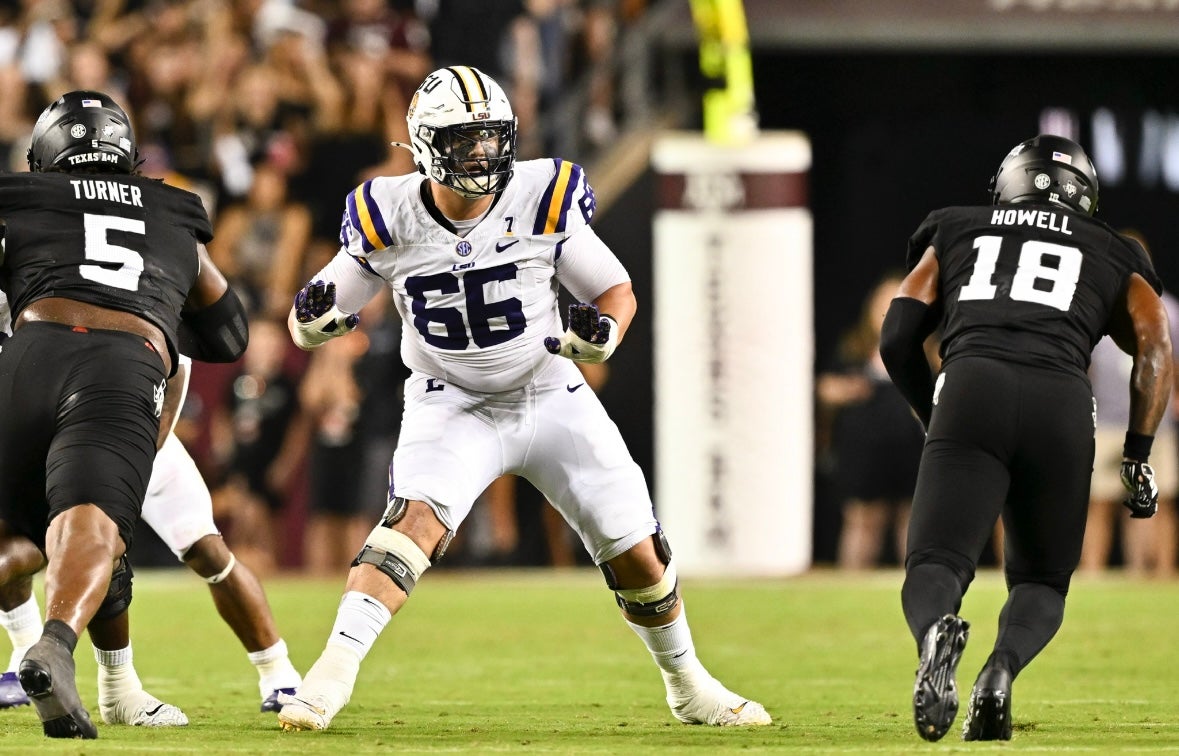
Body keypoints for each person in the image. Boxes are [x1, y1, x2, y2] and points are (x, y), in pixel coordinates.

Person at [274, 65, 771, 732]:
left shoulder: (541, 194)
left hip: (547, 392)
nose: (481, 154)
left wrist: (604, 338)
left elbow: (614, 292)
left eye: (490, 137)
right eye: (463, 140)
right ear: (424, 145)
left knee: (638, 550)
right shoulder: (385, 212)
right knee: (409, 526)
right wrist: (309, 322)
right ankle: (328, 677)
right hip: (448, 400)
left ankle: (687, 684)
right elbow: (321, 307)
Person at [879, 134, 1173, 742]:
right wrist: (1139, 453)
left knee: (936, 562)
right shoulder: (1112, 250)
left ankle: (937, 630)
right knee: (1041, 582)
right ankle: (999, 675)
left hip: (972, 384)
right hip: (1061, 402)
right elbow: (1154, 344)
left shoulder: (960, 226)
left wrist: (932, 413)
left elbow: (898, 332)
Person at [0, 90, 249, 738]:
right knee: (94, 528)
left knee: (18, 536)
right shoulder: (172, 211)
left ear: (44, 159)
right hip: (119, 364)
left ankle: (115, 686)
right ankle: (55, 645)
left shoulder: (20, 199)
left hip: (25, 354)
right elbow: (229, 334)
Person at [816, 273, 925, 569]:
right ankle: (850, 588)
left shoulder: (925, 348)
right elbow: (824, 386)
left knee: (912, 523)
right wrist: (845, 390)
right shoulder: (852, 347)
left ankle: (916, 588)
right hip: (864, 451)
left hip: (912, 449)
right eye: (883, 303)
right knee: (863, 522)